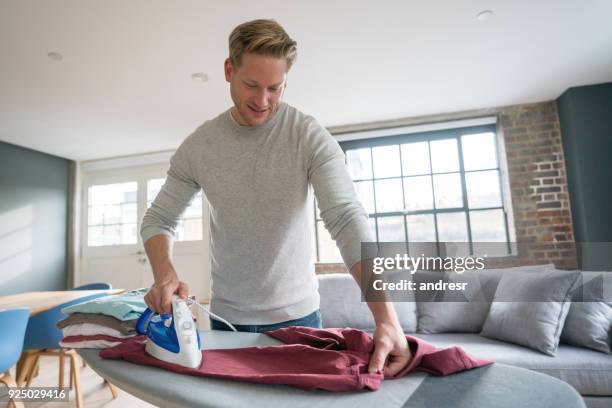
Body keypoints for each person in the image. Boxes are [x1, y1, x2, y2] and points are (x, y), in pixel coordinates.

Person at [141, 19, 412, 376]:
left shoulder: (308, 136)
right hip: (228, 321)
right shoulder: (199, 147)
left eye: (275, 88)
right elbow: (158, 219)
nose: (262, 100)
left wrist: (386, 318)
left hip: (299, 317)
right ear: (228, 70)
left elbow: (346, 217)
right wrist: (165, 274)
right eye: (251, 85)